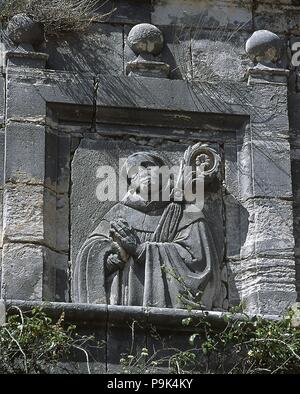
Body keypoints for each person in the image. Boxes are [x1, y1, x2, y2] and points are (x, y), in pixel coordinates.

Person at [72, 151, 222, 309]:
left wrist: (140, 249)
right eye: (135, 172)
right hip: (123, 302)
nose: (143, 173)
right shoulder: (119, 213)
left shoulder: (186, 212)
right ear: (131, 183)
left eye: (149, 167)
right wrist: (110, 260)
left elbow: (199, 262)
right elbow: (91, 251)